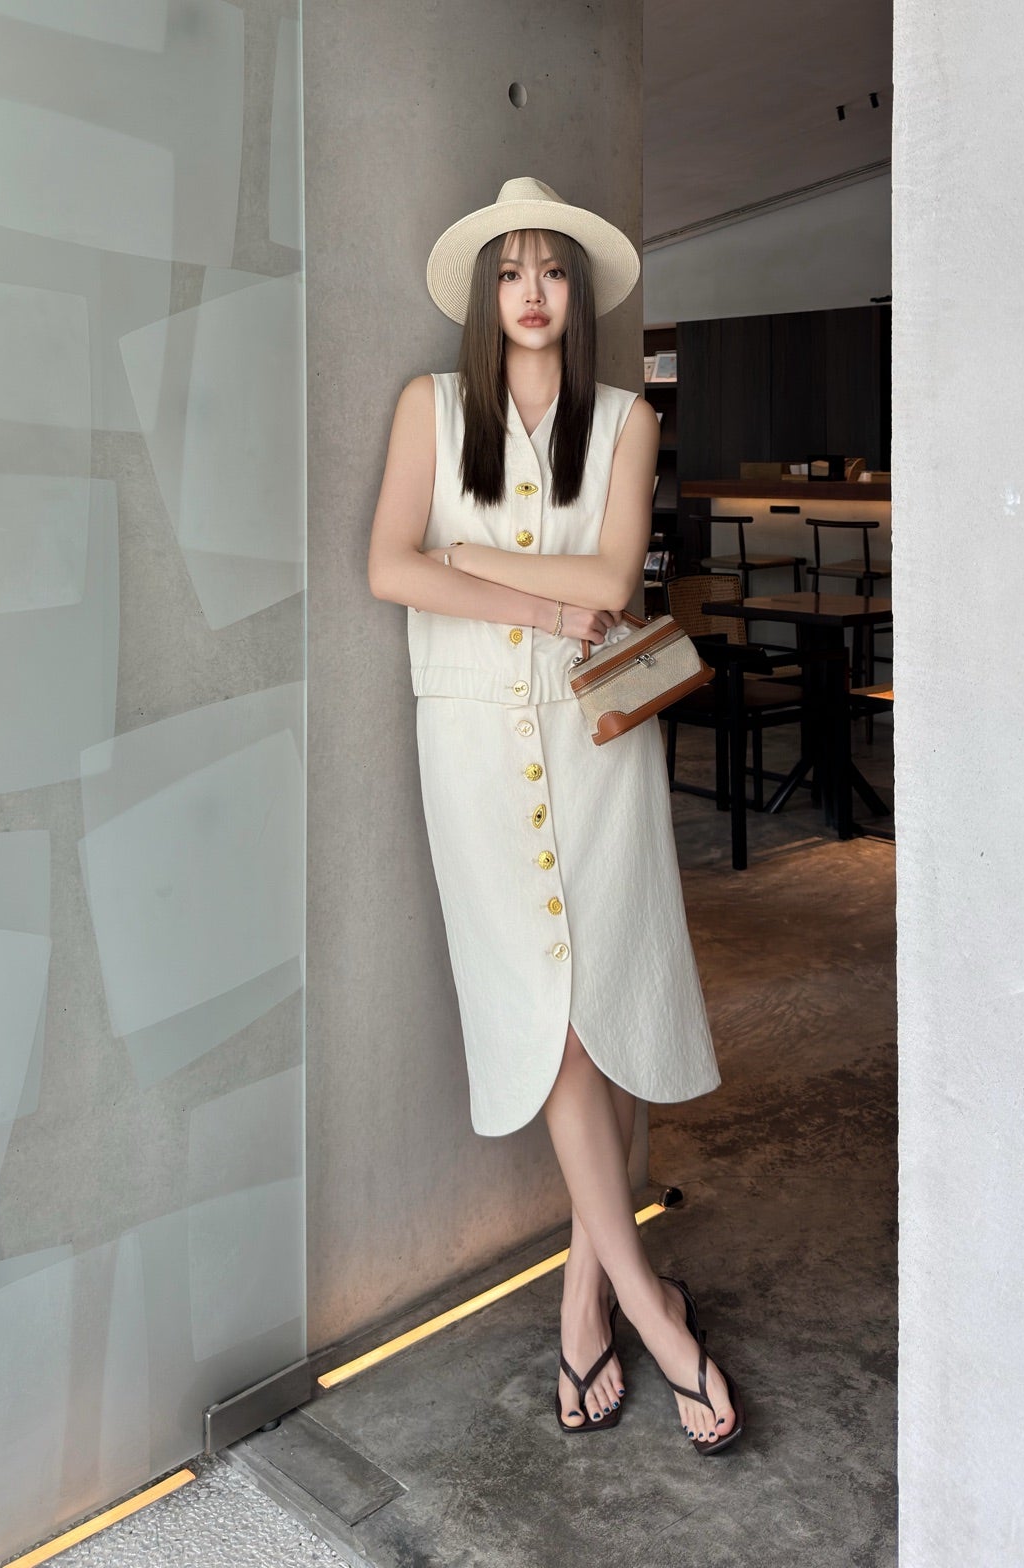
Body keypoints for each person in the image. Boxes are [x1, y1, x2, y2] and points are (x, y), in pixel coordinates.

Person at [367, 176, 746, 1453]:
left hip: (598, 740)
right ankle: (649, 1304)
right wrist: (537, 601)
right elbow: (387, 565)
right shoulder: (429, 408)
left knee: (613, 1004)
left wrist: (467, 558)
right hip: (473, 743)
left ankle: (590, 1296)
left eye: (552, 270)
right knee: (554, 1020)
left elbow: (612, 573)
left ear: (576, 292)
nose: (531, 292)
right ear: (487, 295)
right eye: (510, 271)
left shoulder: (628, 419)